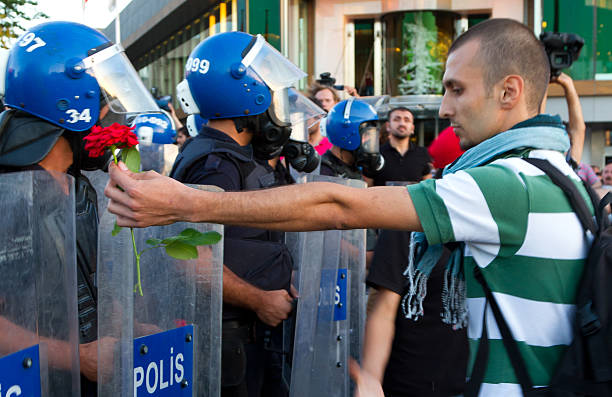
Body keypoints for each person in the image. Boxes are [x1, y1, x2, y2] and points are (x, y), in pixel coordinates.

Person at [106, 19, 589, 397]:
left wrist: (184, 203)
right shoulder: (553, 170)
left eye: (456, 89)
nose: (443, 108)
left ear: (510, 92)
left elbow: (339, 205)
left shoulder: (508, 185)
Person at [0, 21, 160, 396]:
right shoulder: (8, 194)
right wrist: (75, 357)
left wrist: (127, 327)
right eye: (107, 104)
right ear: (71, 106)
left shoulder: (79, 186)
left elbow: (87, 284)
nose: (115, 120)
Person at [169, 31, 320, 397]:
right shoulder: (215, 164)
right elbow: (189, 257)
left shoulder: (232, 155)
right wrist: (259, 299)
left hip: (248, 333)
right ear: (245, 92)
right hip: (229, 337)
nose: (277, 105)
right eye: (271, 92)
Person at [370, 107, 432, 185]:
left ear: (412, 128)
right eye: (397, 119)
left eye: (407, 120)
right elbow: (367, 187)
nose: (402, 124)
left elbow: (427, 186)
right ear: (388, 126)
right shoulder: (375, 154)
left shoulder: (422, 153)